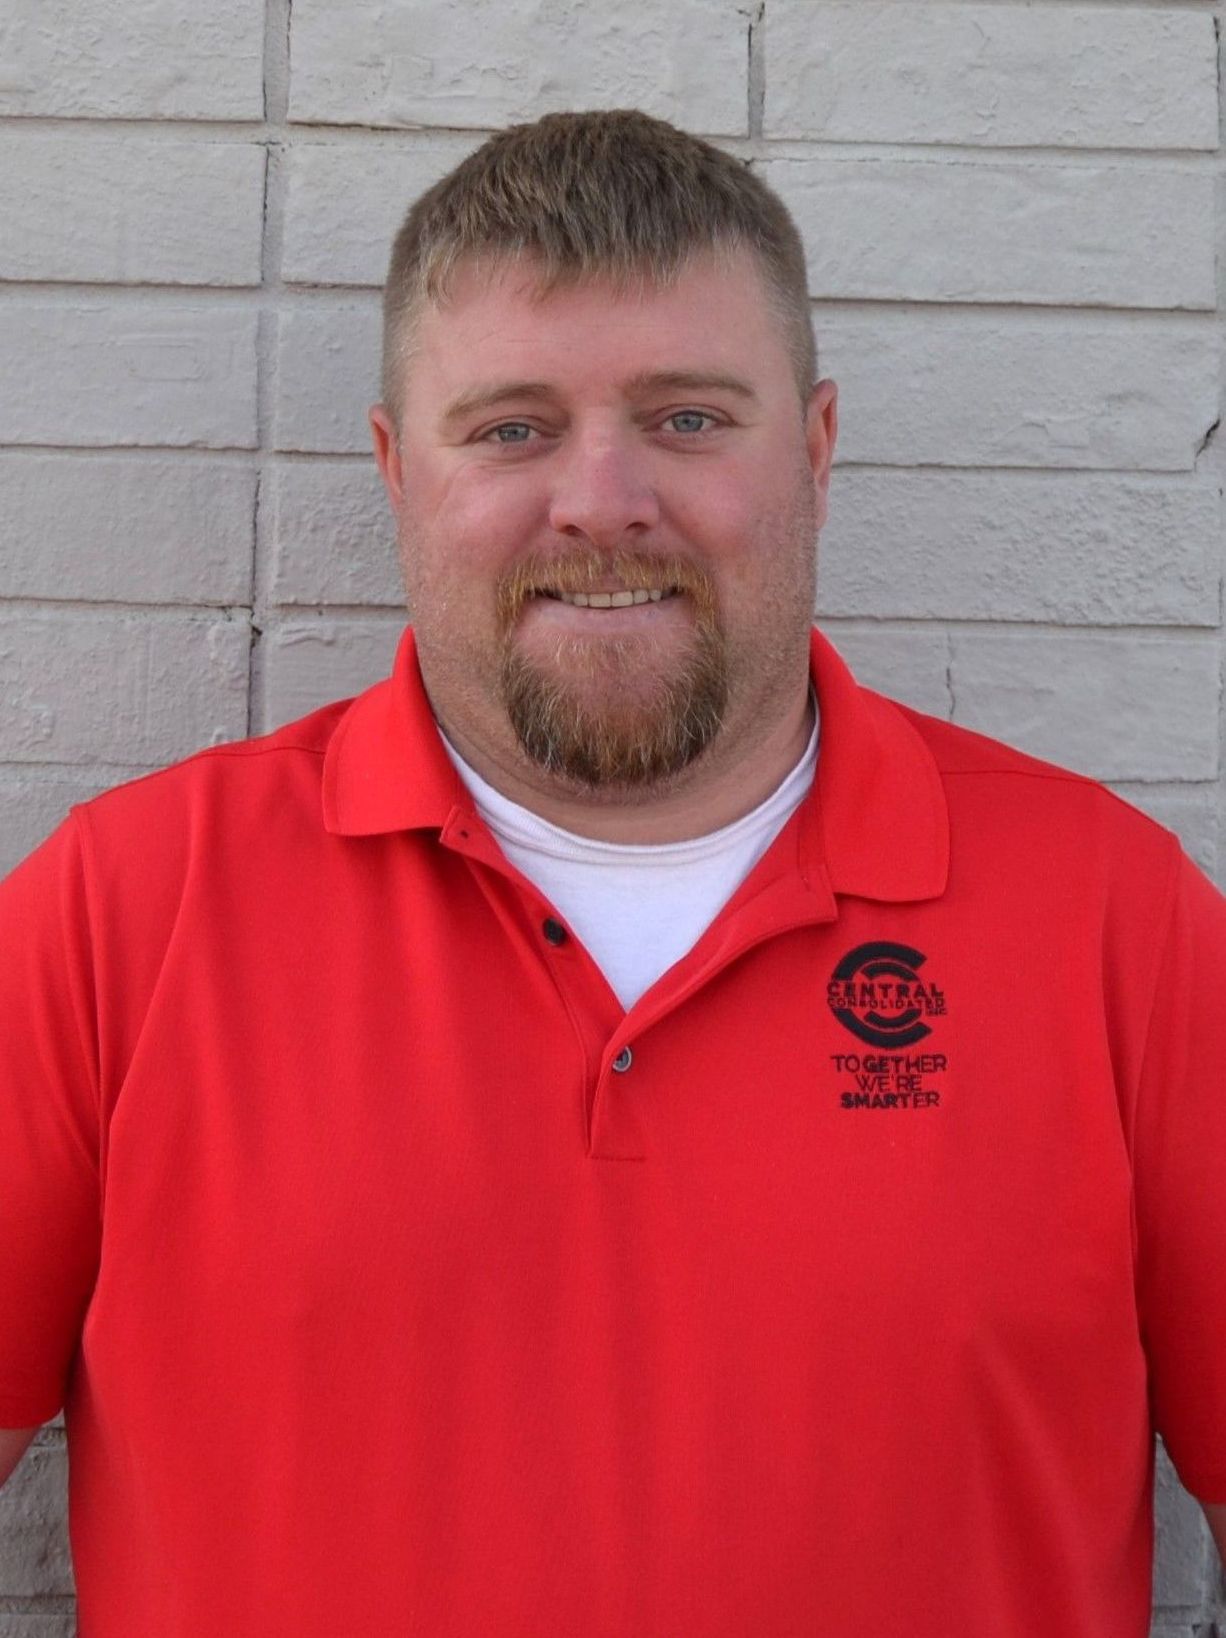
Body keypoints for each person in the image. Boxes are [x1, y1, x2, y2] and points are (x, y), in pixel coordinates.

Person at [0, 108, 1223, 1638]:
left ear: (818, 449)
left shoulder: (1117, 923)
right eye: (510, 427)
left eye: (689, 418)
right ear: (395, 468)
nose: (600, 500)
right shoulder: (124, 913)